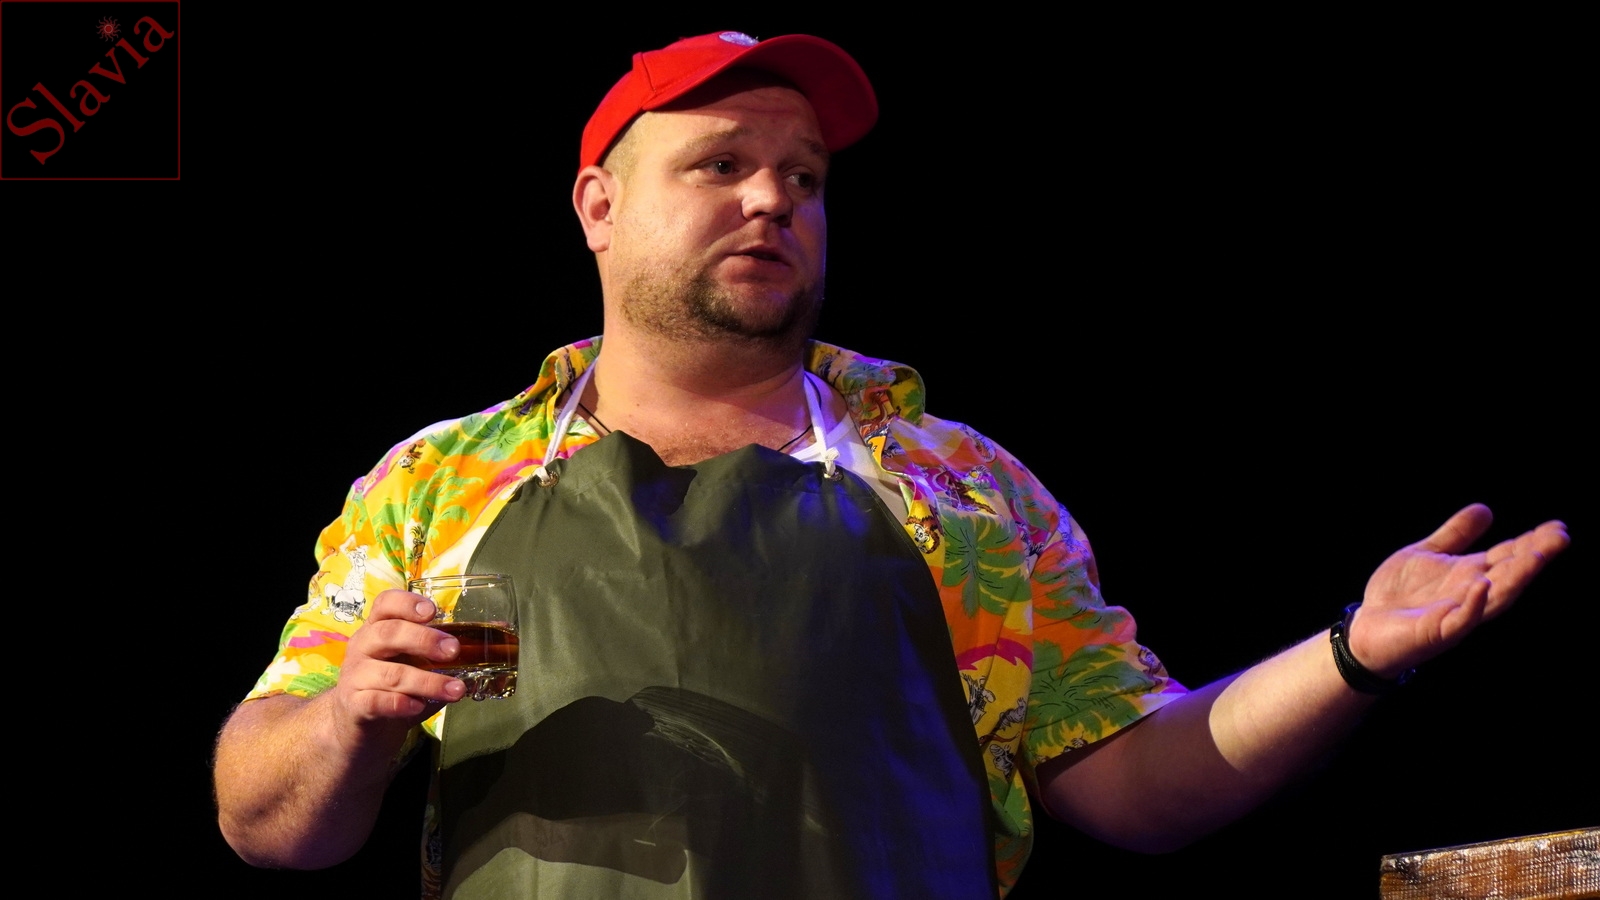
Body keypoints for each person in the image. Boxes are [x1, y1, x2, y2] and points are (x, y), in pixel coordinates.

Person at [212, 30, 1570, 898]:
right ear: (599, 207)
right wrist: (347, 727)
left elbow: (1139, 781)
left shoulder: (956, 486)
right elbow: (265, 817)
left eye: (804, 177)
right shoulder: (446, 482)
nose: (772, 198)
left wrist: (1349, 654)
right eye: (721, 164)